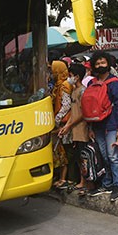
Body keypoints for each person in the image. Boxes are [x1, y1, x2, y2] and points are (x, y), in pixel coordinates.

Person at [86, 52, 118, 200]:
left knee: (113, 157)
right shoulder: (91, 83)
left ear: (108, 63)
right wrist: (90, 127)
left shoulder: (115, 83)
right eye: (97, 63)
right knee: (103, 156)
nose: (100, 66)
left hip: (112, 125)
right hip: (97, 125)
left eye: (103, 63)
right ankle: (107, 183)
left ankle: (117, 185)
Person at [58, 64, 90, 190]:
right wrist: (66, 127)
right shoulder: (74, 91)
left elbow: (83, 113)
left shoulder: (82, 91)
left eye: (70, 75)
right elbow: (73, 112)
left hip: (82, 128)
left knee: (83, 157)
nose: (69, 78)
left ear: (76, 77)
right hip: (74, 129)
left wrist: (69, 125)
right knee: (78, 156)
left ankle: (84, 181)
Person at [51, 60, 72, 189]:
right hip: (61, 122)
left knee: (66, 152)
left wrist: (56, 119)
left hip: (65, 123)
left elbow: (66, 105)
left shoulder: (65, 85)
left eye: (53, 71)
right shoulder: (58, 85)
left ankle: (67, 179)